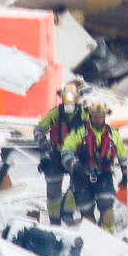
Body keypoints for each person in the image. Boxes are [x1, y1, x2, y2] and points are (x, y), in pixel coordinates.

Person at [61, 98, 128, 233]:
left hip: (104, 177)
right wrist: (75, 165)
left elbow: (123, 154)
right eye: (95, 117)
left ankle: (109, 241)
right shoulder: (79, 132)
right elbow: (66, 151)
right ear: (90, 117)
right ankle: (91, 242)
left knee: (108, 215)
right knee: (88, 218)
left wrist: (126, 174)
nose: (98, 120)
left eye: (101, 117)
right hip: (82, 178)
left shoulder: (113, 135)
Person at [33, 82, 86, 225]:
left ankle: (67, 211)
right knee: (53, 189)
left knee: (80, 182)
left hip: (76, 155)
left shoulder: (84, 114)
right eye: (66, 98)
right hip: (56, 153)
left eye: (72, 98)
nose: (69, 102)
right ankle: (54, 219)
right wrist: (42, 141)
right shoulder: (56, 113)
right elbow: (40, 128)